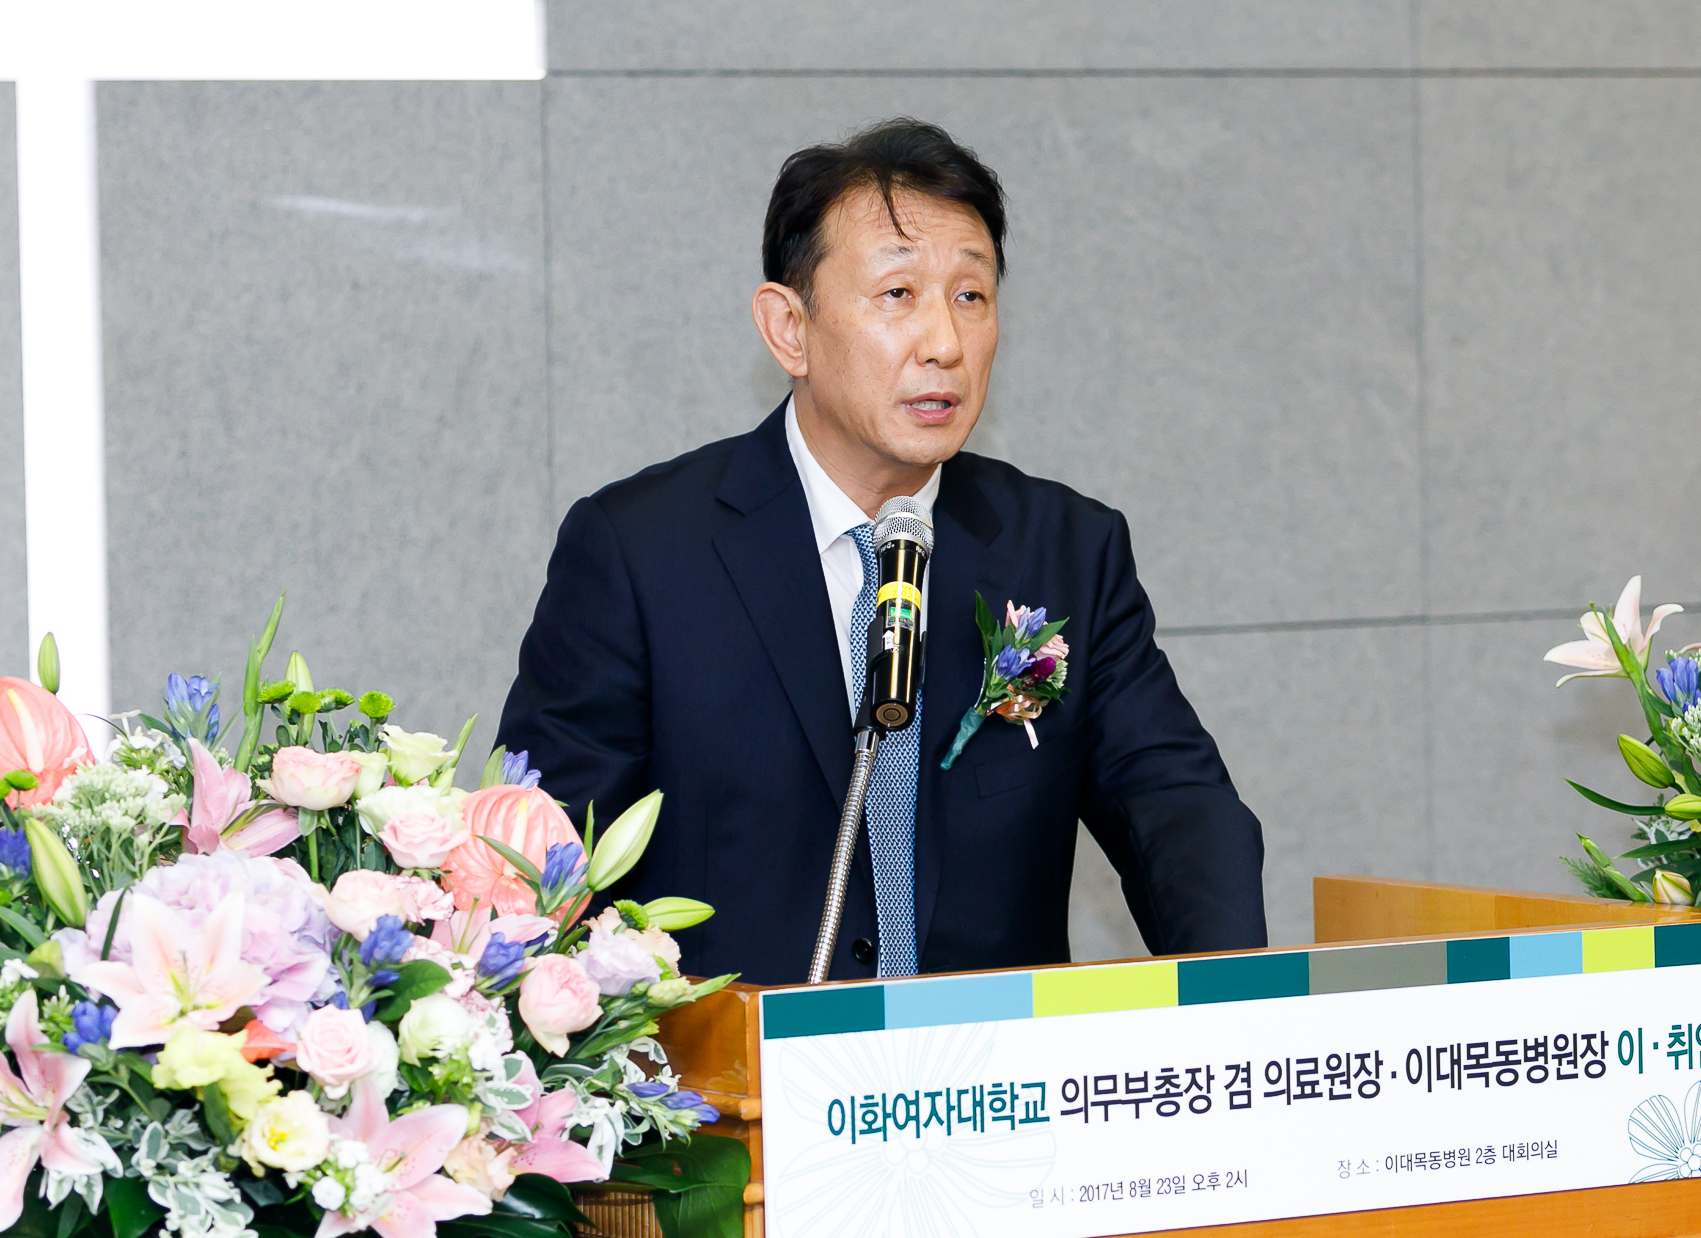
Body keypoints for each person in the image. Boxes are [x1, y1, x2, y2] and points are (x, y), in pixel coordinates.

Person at [497, 118, 1265, 985]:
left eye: (970, 296)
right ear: (789, 327)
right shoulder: (640, 554)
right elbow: (545, 867)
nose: (945, 343)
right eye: (898, 293)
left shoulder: (1066, 551)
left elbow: (1177, 808)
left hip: (993, 1065)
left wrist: (1239, 1000)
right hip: (736, 1065)